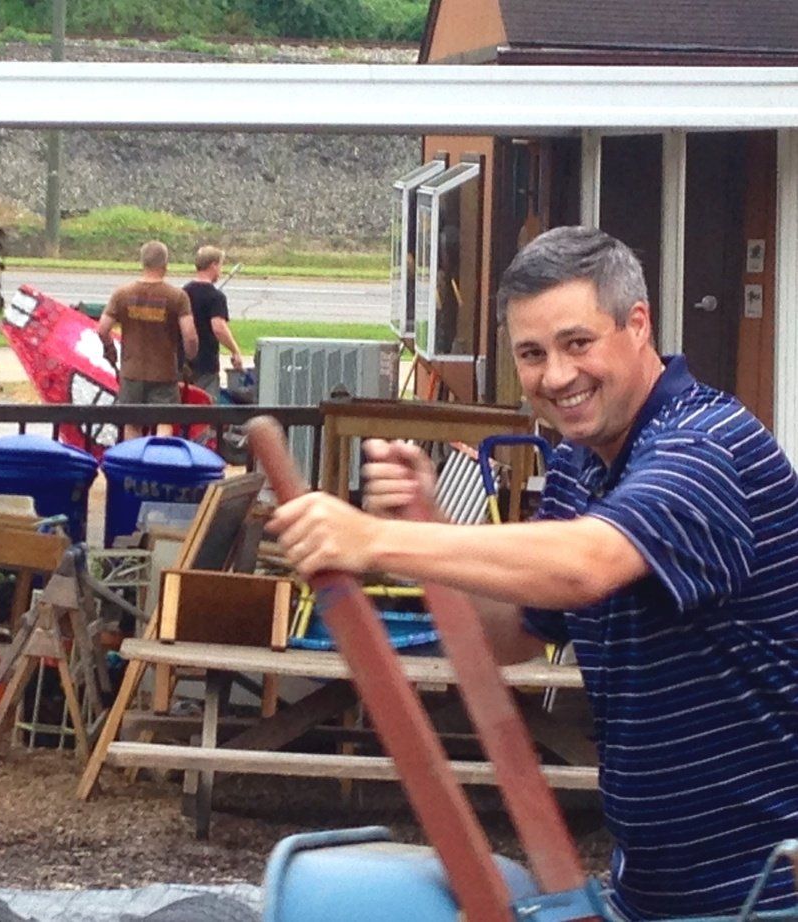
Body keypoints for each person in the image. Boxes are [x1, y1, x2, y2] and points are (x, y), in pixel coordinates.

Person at [268, 226, 798, 919]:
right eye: (531, 354)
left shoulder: (704, 447)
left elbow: (587, 565)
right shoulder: (583, 464)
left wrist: (377, 539)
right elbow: (512, 635)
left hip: (762, 892)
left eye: (578, 344)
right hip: (652, 889)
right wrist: (431, 536)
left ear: (636, 325)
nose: (555, 376)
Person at [97, 240, 198, 438]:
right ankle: (158, 463)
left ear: (142, 263)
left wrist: (110, 348)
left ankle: (132, 466)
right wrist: (189, 358)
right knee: (164, 421)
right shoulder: (177, 296)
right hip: (164, 374)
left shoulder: (122, 294)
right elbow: (190, 336)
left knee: (132, 425)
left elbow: (102, 329)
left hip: (131, 372)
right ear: (165, 264)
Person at [182, 245, 244, 401]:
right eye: (220, 265)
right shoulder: (215, 297)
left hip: (183, 362)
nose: (221, 270)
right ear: (213, 265)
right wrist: (235, 350)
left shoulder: (183, 292)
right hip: (206, 363)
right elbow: (219, 328)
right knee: (205, 406)